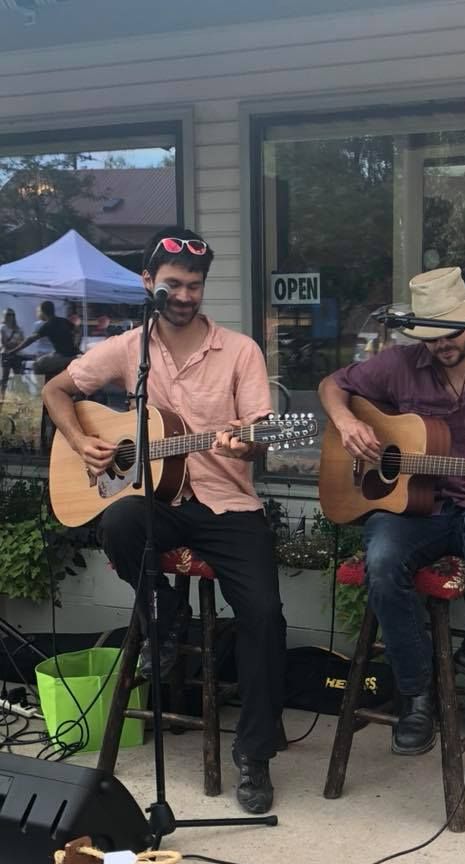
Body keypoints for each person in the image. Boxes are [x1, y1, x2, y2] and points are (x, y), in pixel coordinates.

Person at [42, 227, 286, 814]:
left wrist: (246, 443)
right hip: (161, 503)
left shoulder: (241, 351)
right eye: (173, 284)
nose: (183, 296)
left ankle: (254, 753)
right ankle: (165, 611)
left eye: (194, 286)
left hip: (229, 506)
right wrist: (79, 441)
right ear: (148, 281)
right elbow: (55, 390)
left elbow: (264, 435)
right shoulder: (129, 348)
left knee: (264, 615)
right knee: (119, 522)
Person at [318, 266, 465, 756]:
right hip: (412, 508)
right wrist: (346, 423)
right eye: (430, 336)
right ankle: (416, 696)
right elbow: (332, 385)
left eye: (450, 333)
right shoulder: (398, 365)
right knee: (382, 560)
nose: (441, 345)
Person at [4, 300, 80, 379]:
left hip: (62, 356)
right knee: (48, 361)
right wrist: (76, 344)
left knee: (37, 365)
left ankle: (42, 386)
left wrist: (13, 351)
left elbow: (30, 340)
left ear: (43, 312)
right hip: (72, 354)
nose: (37, 314)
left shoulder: (48, 325)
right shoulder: (63, 320)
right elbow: (78, 331)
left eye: (38, 311)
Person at [1, 308, 26, 399]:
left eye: (12, 314)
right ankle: (2, 397)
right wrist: (16, 344)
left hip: (17, 355)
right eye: (8, 314)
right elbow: (4, 343)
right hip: (6, 355)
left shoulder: (19, 328)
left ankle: (18, 398)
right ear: (4, 316)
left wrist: (16, 345)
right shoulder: (2, 327)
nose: (10, 316)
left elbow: (23, 341)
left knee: (18, 378)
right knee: (4, 378)